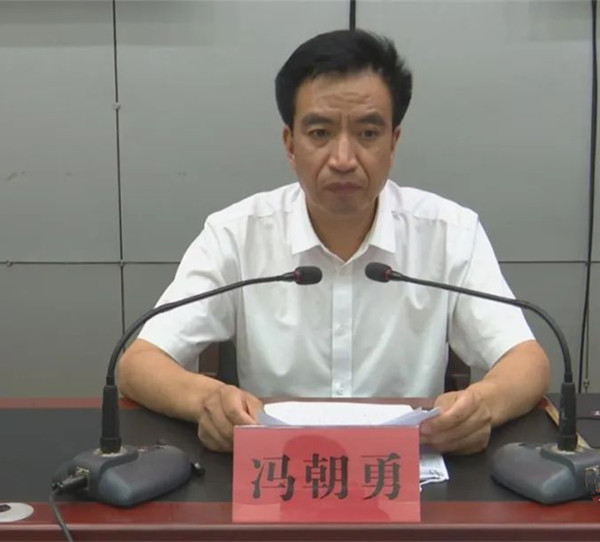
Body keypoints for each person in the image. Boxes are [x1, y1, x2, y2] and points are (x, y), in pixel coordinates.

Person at [118, 29, 550, 456]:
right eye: (320, 133)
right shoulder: (236, 233)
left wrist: (482, 405)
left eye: (368, 134)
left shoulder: (450, 232)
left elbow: (527, 362)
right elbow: (138, 363)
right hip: (277, 472)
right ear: (290, 144)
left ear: (393, 142)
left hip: (405, 475)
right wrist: (207, 401)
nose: (343, 159)